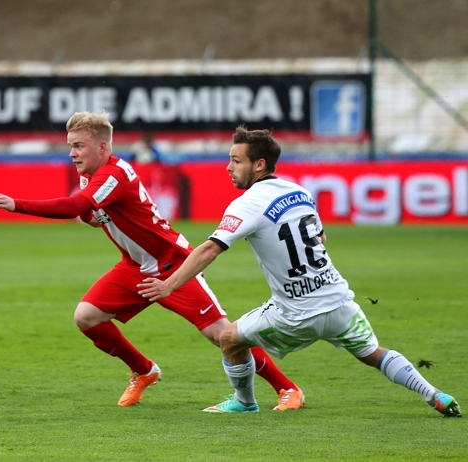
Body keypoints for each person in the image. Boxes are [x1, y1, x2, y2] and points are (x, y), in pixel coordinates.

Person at [0, 111, 304, 410]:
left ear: (102, 146)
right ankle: (144, 370)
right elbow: (86, 208)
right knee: (87, 316)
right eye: (70, 146)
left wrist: (18, 204)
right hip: (134, 266)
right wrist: (94, 215)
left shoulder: (112, 174)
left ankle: (287, 389)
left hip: (172, 264)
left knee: (223, 336)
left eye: (79, 146)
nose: (72, 153)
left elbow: (74, 207)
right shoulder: (91, 175)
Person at [138, 126, 462, 417]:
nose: (228, 167)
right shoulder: (299, 191)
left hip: (295, 311)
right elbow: (320, 237)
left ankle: (245, 401)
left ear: (259, 165)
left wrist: (169, 285)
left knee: (229, 339)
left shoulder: (246, 204)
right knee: (373, 353)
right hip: (338, 300)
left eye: (236, 161)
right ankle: (433, 394)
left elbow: (210, 248)